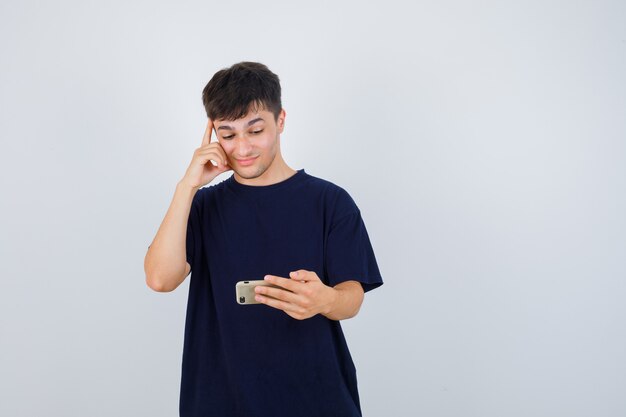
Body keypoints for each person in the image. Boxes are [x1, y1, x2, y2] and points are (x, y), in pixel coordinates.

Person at [144, 61, 384, 417]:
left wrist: (324, 299)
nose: (242, 148)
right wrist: (187, 186)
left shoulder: (330, 202)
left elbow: (352, 298)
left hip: (316, 399)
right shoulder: (202, 206)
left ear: (280, 120)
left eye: (255, 131)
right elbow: (160, 279)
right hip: (220, 401)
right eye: (227, 134)